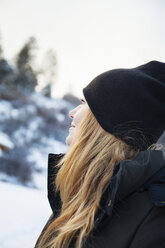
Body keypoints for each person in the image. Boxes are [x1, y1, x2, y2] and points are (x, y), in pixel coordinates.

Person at [35, 61, 165, 248]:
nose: (72, 113)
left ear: (108, 122)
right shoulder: (80, 194)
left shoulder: (154, 218)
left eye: (84, 103)